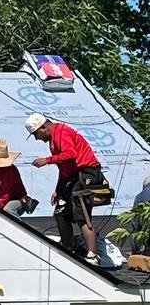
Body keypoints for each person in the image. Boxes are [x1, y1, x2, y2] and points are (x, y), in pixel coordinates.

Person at [26, 113, 104, 265]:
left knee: (81, 212)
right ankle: (67, 249)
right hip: (73, 176)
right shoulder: (53, 140)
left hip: (86, 172)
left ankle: (93, 255)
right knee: (60, 212)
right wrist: (58, 189)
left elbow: (70, 154)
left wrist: (47, 160)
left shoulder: (62, 132)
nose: (36, 138)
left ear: (43, 127)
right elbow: (64, 167)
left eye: (36, 134)